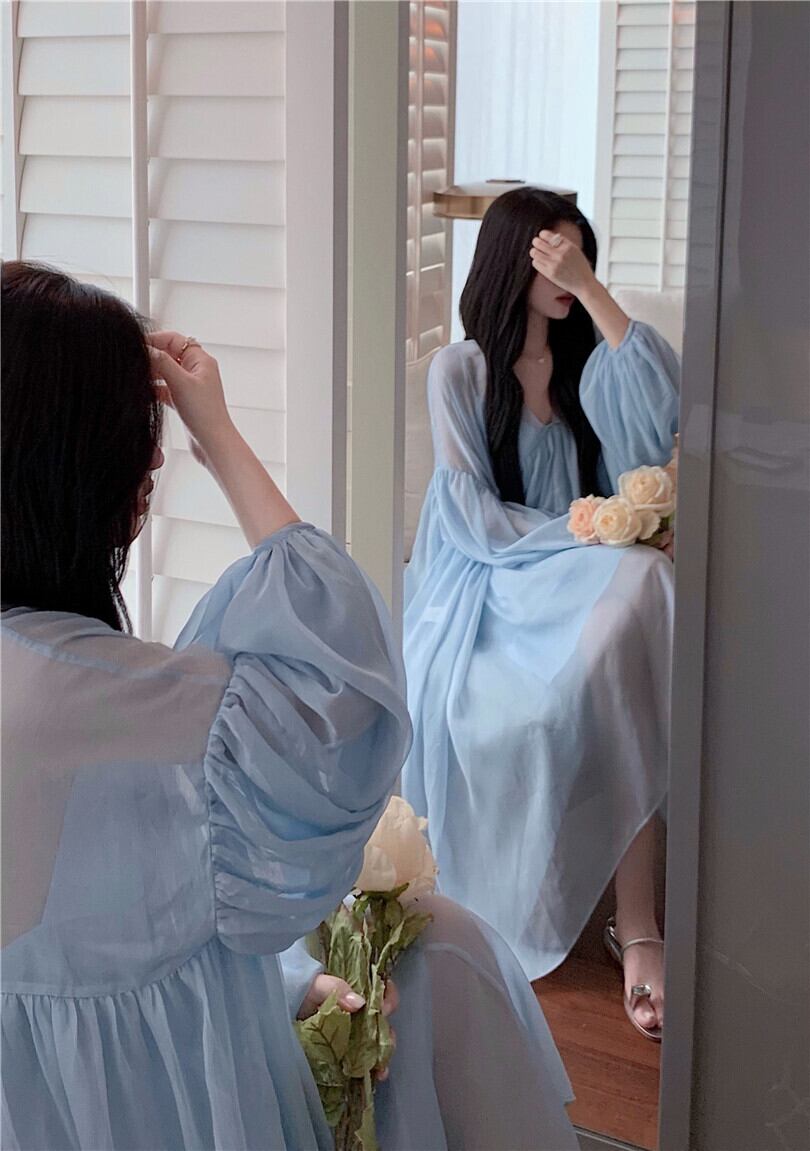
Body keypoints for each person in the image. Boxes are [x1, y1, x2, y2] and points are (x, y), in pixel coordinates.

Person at [1, 261, 578, 1149]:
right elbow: (347, 677)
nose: (154, 456)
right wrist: (222, 437)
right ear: (71, 466)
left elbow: (82, 944)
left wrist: (283, 988)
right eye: (135, 429)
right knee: (449, 949)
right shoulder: (157, 712)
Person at [402, 187, 678, 1041]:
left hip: (574, 579)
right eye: (554, 255)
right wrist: (590, 529)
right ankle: (574, 905)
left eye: (579, 254)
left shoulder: (585, 369)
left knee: (647, 590)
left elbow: (662, 417)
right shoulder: (461, 370)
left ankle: (639, 924)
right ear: (512, 258)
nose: (568, 270)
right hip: (488, 583)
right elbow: (470, 519)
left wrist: (592, 291)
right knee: (635, 583)